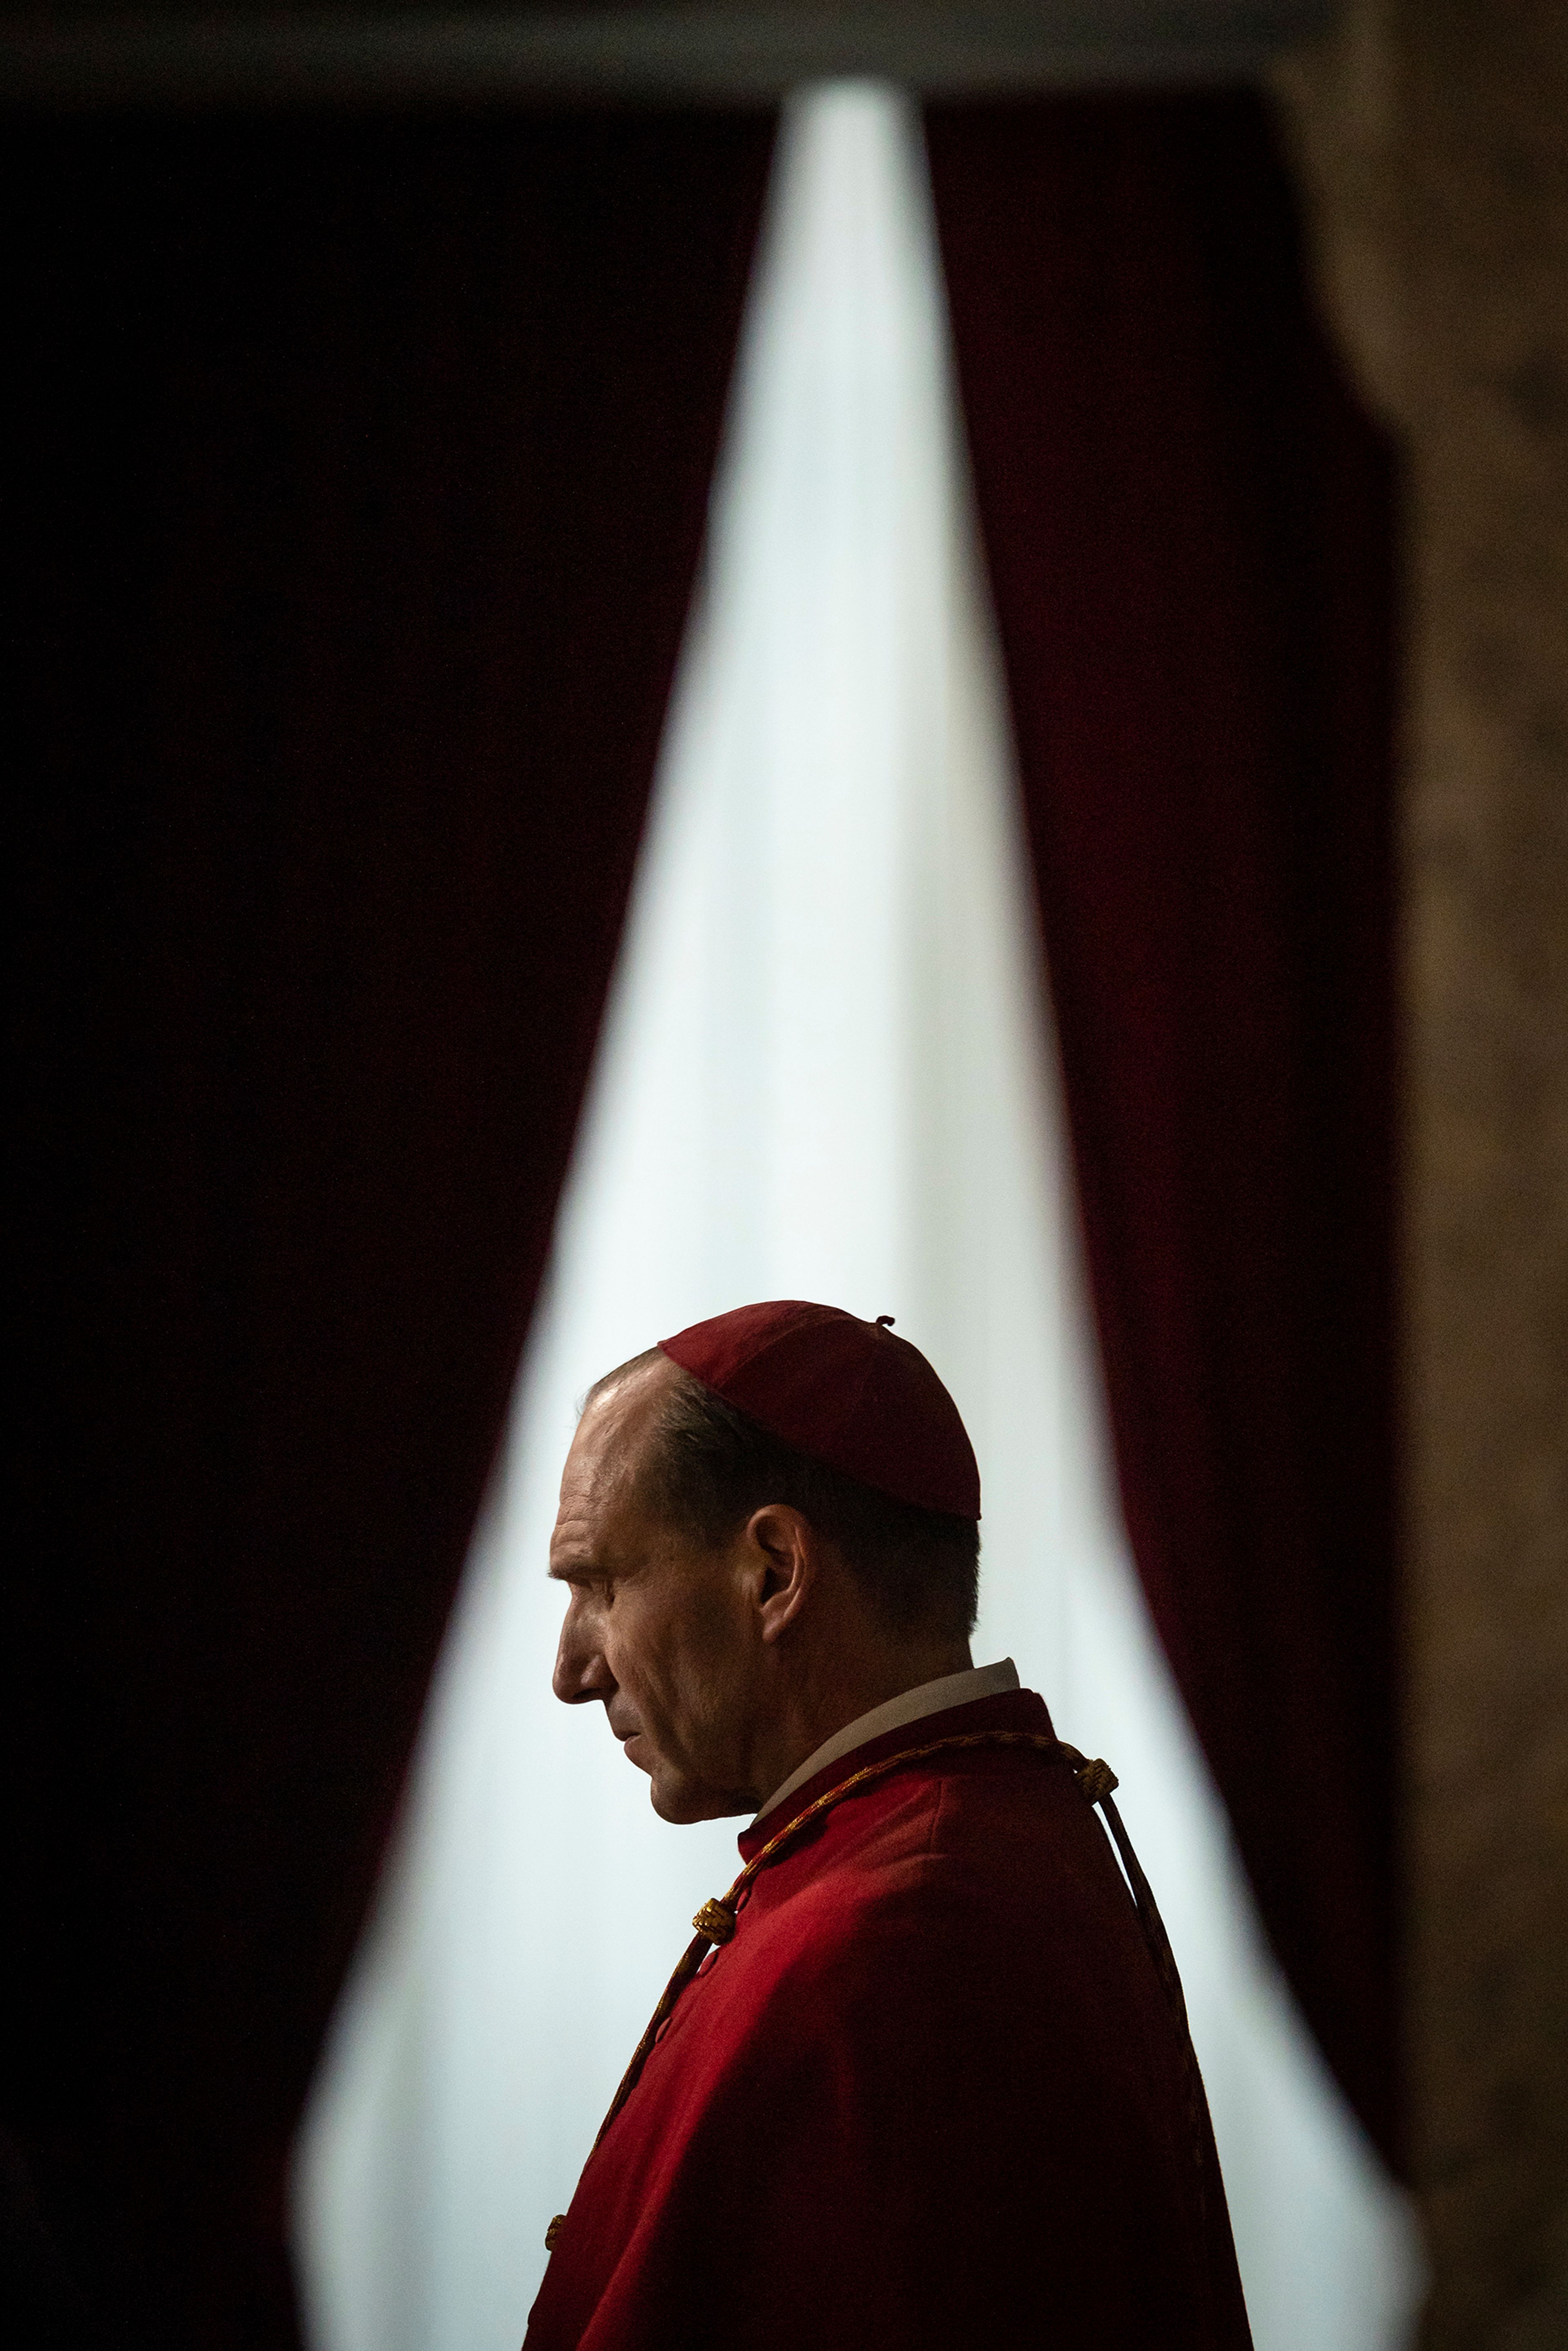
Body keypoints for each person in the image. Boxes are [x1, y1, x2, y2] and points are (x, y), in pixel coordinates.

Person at [524, 1300, 1252, 2351]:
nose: (571, 1669)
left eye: (599, 1583)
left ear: (774, 1570)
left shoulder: (899, 1938)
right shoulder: (978, 1830)